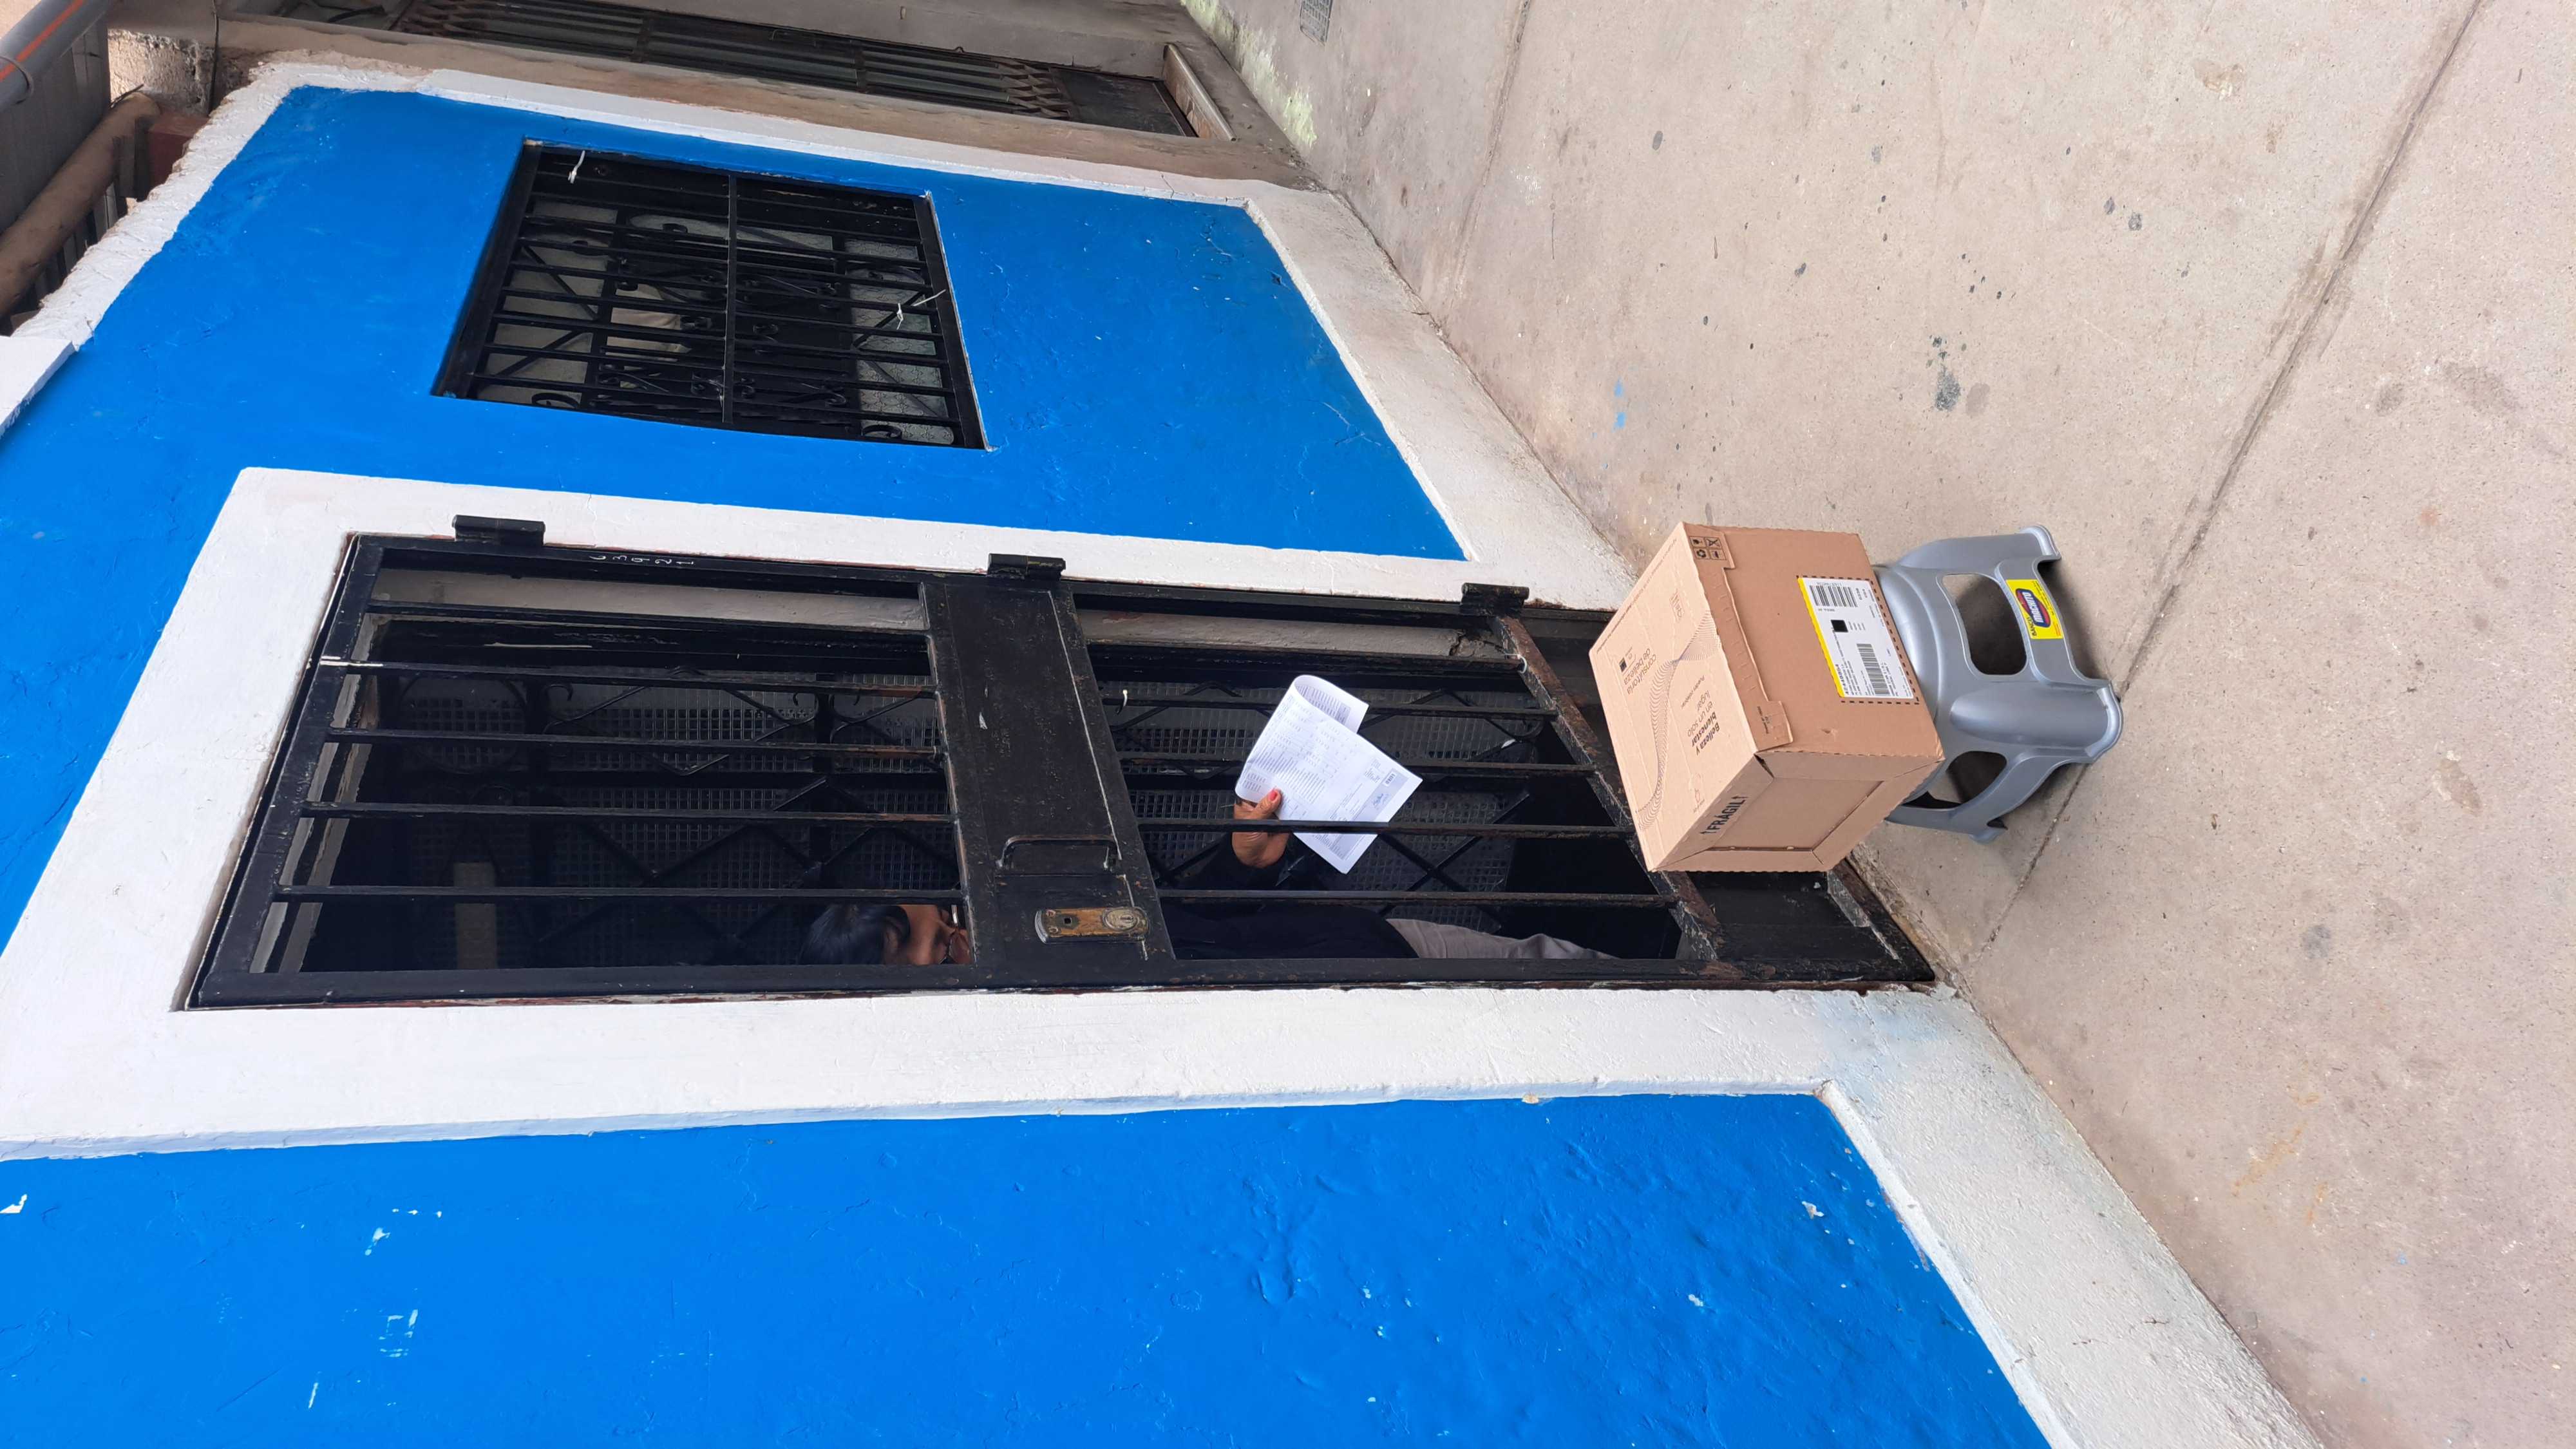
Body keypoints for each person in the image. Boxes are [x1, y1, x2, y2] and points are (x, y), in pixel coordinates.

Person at [801, 791, 1606, 965]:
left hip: (1375, 943)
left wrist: (1243, 860)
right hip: (1380, 1025)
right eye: (945, 950)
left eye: (951, 917)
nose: (966, 934)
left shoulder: (1044, 905)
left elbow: (1193, 926)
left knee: (1563, 969)